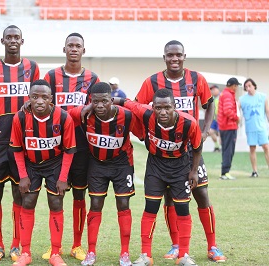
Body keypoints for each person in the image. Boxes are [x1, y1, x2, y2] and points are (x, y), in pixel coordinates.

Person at [135, 40, 227, 262]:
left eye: (178, 55)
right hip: (165, 152)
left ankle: (212, 246)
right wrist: (145, 136)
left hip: (190, 150)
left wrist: (205, 130)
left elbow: (209, 104)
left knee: (202, 194)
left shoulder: (196, 79)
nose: (174, 59)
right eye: (170, 55)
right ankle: (176, 245)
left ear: (184, 56)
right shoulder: (152, 81)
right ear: (164, 57)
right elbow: (137, 107)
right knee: (169, 198)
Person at [117, 89, 202, 266]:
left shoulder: (189, 123)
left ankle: (184, 255)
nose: (162, 112)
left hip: (180, 166)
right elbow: (127, 103)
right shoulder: (146, 114)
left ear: (175, 107)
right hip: (156, 165)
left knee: (183, 209)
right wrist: (112, 99)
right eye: (158, 108)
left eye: (167, 107)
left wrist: (193, 171)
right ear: (152, 107)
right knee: (151, 207)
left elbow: (197, 147)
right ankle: (145, 255)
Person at [0, 24, 40, 262]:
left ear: (22, 42)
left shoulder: (32, 68)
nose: (13, 40)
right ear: (2, 41)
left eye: (17, 37)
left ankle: (16, 245)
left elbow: (40, 98)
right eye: (9, 37)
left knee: (19, 191)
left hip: (22, 139)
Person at [42, 32, 100, 261]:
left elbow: (94, 109)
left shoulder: (92, 79)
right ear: (64, 49)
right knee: (56, 195)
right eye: (70, 45)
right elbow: (44, 107)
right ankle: (54, 246)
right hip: (56, 145)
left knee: (79, 194)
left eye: (78, 46)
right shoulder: (51, 76)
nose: (74, 49)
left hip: (82, 144)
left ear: (83, 51)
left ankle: (77, 245)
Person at [69, 82, 140, 266]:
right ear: (90, 101)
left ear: (112, 100)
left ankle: (125, 253)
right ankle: (91, 252)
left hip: (121, 164)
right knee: (95, 203)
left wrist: (125, 101)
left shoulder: (126, 115)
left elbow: (143, 127)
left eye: (105, 101)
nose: (100, 106)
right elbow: (64, 117)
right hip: (97, 164)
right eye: (95, 101)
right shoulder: (85, 114)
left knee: (123, 203)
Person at [9, 80, 76, 266]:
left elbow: (69, 150)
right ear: (29, 98)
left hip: (55, 163)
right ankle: (26, 253)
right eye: (35, 97)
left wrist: (63, 178)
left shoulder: (63, 117)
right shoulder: (20, 117)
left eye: (44, 97)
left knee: (55, 202)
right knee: (28, 201)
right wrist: (22, 175)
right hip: (31, 164)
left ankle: (55, 253)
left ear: (51, 99)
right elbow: (16, 149)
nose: (39, 101)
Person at [239, 78, 269, 177]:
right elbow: (236, 110)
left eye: (249, 86)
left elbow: (267, 111)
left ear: (254, 86)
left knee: (266, 147)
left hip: (261, 127)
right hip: (250, 127)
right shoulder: (242, 99)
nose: (248, 88)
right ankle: (255, 171)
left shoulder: (263, 97)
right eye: (246, 87)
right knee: (252, 148)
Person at [218, 77, 240, 180]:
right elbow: (228, 111)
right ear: (233, 85)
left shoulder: (224, 94)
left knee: (226, 149)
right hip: (229, 126)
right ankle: (225, 172)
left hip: (224, 126)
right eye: (236, 86)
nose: (236, 88)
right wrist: (237, 118)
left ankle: (224, 172)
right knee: (229, 150)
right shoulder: (227, 95)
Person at [208, 85, 221, 152]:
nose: (212, 91)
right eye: (211, 90)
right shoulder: (212, 98)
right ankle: (217, 146)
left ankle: (221, 147)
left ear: (217, 89)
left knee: (220, 133)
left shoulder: (222, 97)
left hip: (221, 119)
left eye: (214, 89)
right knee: (211, 132)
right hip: (214, 119)